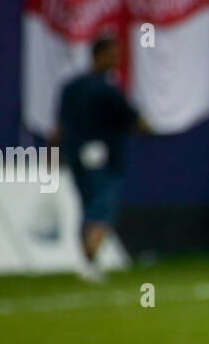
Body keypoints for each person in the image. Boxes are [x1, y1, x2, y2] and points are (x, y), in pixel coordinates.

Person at [55, 34, 147, 282]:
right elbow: (135, 120)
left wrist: (54, 155)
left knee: (87, 208)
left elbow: (58, 129)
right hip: (104, 160)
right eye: (112, 55)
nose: (116, 60)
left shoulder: (71, 87)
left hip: (77, 157)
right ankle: (88, 262)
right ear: (99, 55)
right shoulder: (108, 90)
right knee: (102, 209)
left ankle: (87, 262)